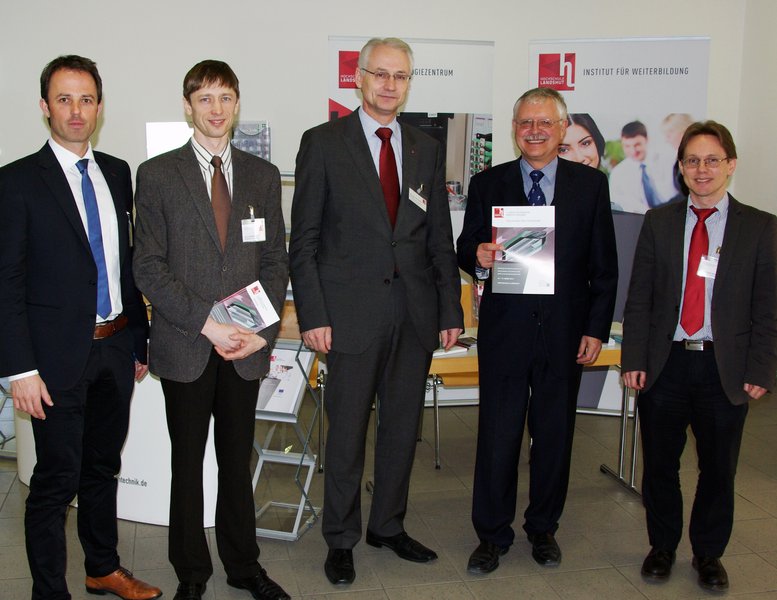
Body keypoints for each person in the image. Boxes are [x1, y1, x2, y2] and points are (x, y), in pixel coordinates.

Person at [289, 37, 464, 585]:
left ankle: (388, 525)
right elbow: (306, 242)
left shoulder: (424, 148)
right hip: (348, 318)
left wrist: (449, 308)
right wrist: (314, 314)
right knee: (344, 434)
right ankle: (341, 538)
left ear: (410, 83)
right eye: (380, 74)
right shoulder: (322, 143)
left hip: (412, 316)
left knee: (400, 429)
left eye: (401, 76)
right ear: (359, 78)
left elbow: (438, 236)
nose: (390, 85)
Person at [0, 55, 160, 600]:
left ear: (99, 107)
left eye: (86, 99)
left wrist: (138, 338)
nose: (76, 110)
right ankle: (50, 591)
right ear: (45, 107)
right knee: (53, 482)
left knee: (102, 469)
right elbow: (7, 283)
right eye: (64, 99)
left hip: (115, 350)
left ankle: (102, 568)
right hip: (53, 361)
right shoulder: (16, 182)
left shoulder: (117, 172)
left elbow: (126, 262)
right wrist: (19, 369)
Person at [133, 60, 289, 600]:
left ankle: (245, 567)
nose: (216, 109)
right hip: (186, 345)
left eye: (225, 98)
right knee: (186, 465)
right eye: (205, 99)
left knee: (235, 461)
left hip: (243, 349)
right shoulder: (156, 175)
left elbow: (274, 263)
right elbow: (148, 265)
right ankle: (192, 574)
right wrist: (209, 324)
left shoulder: (262, 176)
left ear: (237, 104)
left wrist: (256, 333)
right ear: (188, 105)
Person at [457, 87, 618, 575]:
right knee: (498, 436)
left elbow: (604, 268)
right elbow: (465, 249)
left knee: (554, 436)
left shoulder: (590, 187)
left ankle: (543, 528)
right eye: (525, 123)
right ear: (514, 127)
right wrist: (479, 258)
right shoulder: (489, 184)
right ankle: (492, 534)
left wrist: (595, 329)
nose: (534, 131)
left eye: (545, 123)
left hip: (565, 333)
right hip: (505, 334)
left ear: (562, 128)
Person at [622, 120, 777, 592]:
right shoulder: (660, 222)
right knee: (661, 466)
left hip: (723, 368)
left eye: (712, 159)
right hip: (666, 363)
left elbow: (769, 307)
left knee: (719, 468)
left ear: (730, 165)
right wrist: (634, 357)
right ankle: (662, 547)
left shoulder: (761, 228)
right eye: (692, 160)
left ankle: (709, 554)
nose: (702, 169)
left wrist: (760, 368)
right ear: (681, 168)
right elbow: (640, 298)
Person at [609, 120, 674, 214]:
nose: (633, 151)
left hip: (670, 214)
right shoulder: (618, 174)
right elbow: (619, 206)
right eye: (627, 146)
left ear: (646, 139)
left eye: (637, 145)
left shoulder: (667, 161)